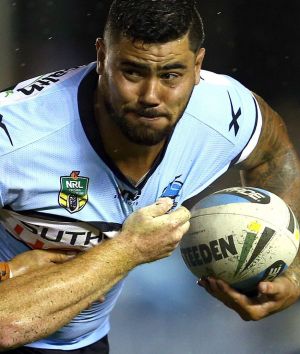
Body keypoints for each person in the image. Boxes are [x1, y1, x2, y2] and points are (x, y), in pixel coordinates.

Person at [0, 0, 299, 352]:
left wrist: (291, 270)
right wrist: (130, 249)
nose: (151, 96)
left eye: (171, 74)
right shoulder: (17, 137)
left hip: (88, 342)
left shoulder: (224, 110)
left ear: (197, 66)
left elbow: (274, 156)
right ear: (101, 56)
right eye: (133, 72)